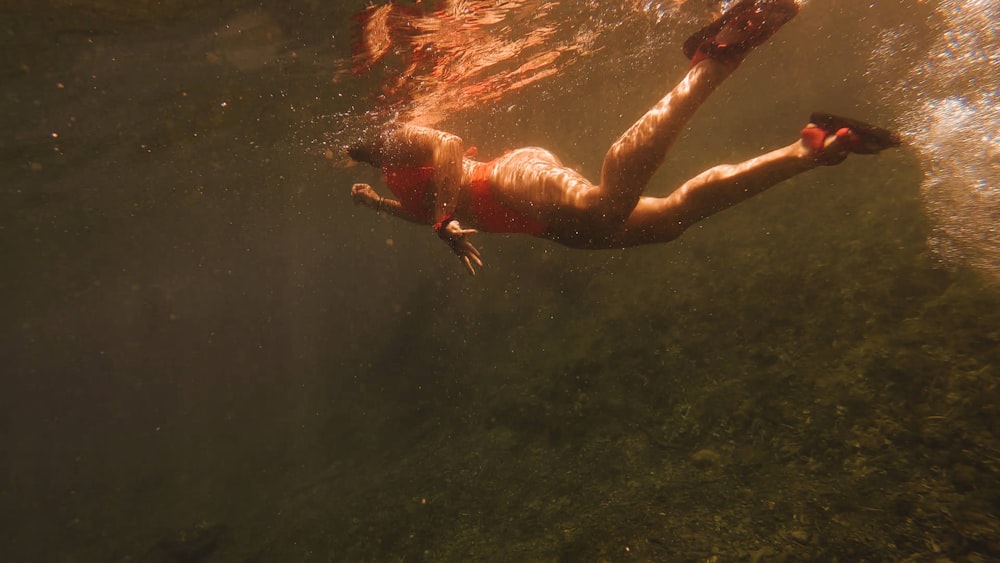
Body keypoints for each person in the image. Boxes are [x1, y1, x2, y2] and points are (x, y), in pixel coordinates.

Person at [348, 0, 900, 276]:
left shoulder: (387, 141)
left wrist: (444, 217)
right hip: (535, 224)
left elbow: (446, 148)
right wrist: (376, 206)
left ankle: (714, 58)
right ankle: (806, 149)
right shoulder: (384, 179)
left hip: (507, 180)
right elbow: (422, 213)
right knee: (665, 223)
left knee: (604, 201)